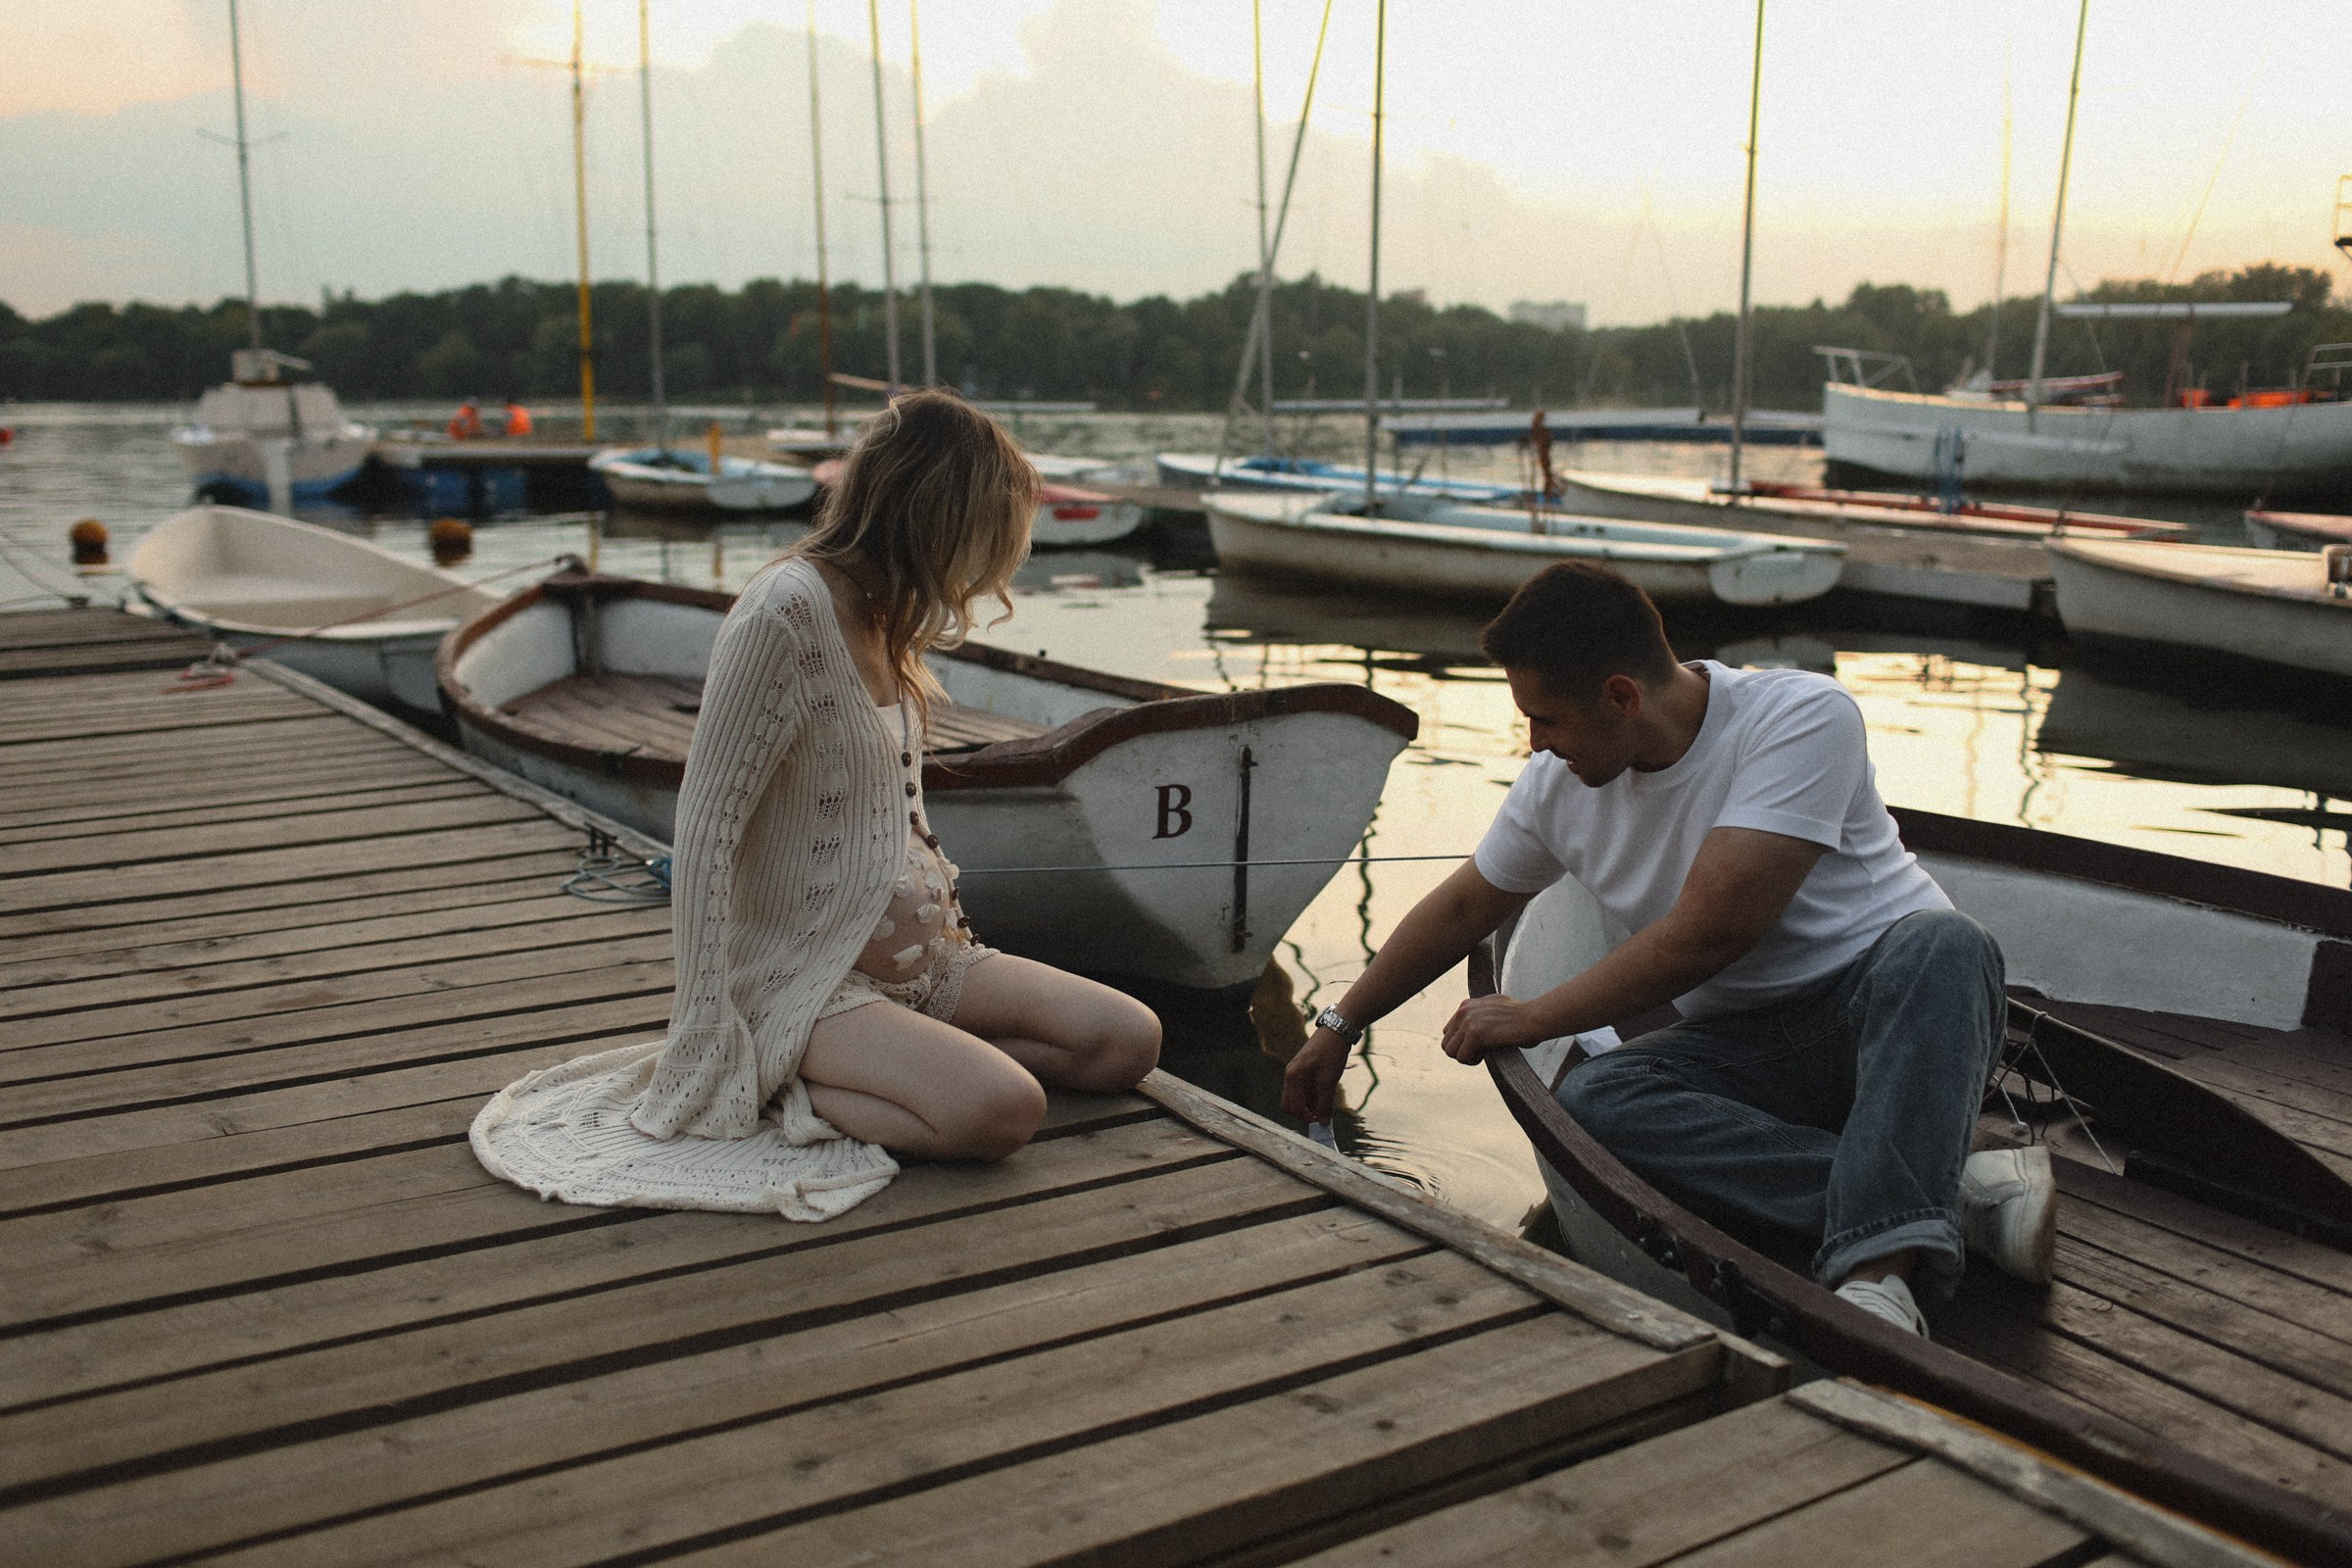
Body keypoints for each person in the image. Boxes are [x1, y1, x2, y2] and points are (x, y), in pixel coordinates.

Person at [1281, 562, 2055, 1335]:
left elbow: (1713, 931)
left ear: (1622, 695)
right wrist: (1339, 1027)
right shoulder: (1556, 787)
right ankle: (1942, 1199)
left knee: (1946, 943)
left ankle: (1876, 1279)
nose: (1534, 743)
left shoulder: (1799, 716)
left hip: (1896, 1020)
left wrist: (1534, 1016)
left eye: (1545, 718)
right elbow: (1461, 906)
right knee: (1597, 1101)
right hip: (1752, 1048)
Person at [473, 390, 1161, 1221]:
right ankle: (789, 1074)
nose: (984, 570)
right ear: (931, 514)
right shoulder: (786, 610)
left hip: (930, 965)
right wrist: (707, 1026)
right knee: (1001, 1112)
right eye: (982, 537)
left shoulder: (885, 611)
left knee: (1127, 1040)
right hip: (806, 979)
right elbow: (706, 826)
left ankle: (909, 1063)